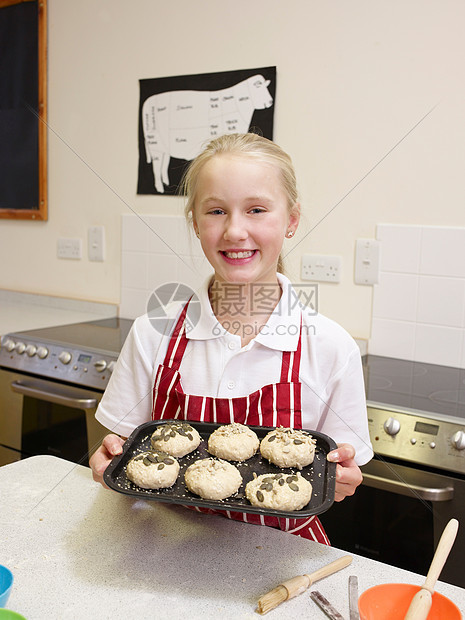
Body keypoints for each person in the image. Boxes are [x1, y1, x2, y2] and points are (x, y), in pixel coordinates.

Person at [90, 132, 373, 544]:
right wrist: (108, 462)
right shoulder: (154, 332)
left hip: (279, 556)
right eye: (217, 211)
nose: (235, 231)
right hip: (160, 545)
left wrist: (343, 478)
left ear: (291, 220)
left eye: (256, 209)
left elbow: (340, 472)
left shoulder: (330, 348)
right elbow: (123, 449)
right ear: (195, 222)